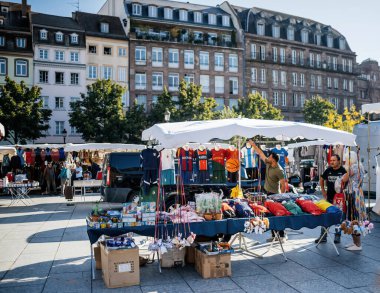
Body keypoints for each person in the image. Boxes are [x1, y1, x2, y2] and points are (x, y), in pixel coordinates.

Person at [249, 139, 286, 242]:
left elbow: (283, 184)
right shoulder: (269, 164)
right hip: (267, 193)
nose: (268, 158)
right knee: (269, 215)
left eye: (269, 157)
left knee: (277, 215)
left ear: (273, 160)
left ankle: (282, 235)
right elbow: (260, 153)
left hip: (275, 195)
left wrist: (282, 196)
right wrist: (253, 145)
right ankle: (274, 235)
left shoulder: (279, 170)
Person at [316, 154, 346, 244]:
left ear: (339, 161)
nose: (331, 162)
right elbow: (321, 179)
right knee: (326, 217)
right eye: (331, 160)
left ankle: (337, 236)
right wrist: (323, 190)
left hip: (340, 199)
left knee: (339, 218)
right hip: (329, 198)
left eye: (334, 160)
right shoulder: (328, 170)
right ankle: (323, 236)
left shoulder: (343, 171)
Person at [341, 151, 366, 251]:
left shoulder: (353, 167)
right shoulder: (359, 166)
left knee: (354, 217)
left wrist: (345, 170)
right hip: (356, 193)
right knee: (353, 217)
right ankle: (355, 242)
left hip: (353, 194)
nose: (345, 161)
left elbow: (344, 179)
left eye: (346, 159)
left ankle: (358, 244)